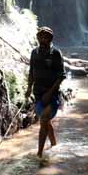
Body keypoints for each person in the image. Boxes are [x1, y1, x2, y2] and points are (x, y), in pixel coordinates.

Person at [25, 26, 66, 158]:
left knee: (43, 119)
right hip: (38, 94)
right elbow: (31, 72)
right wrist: (28, 88)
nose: (43, 39)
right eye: (41, 37)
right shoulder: (34, 53)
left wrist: (50, 93)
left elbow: (61, 76)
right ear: (37, 38)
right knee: (46, 122)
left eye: (46, 37)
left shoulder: (56, 53)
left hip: (52, 95)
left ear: (50, 39)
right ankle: (54, 145)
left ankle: (39, 154)